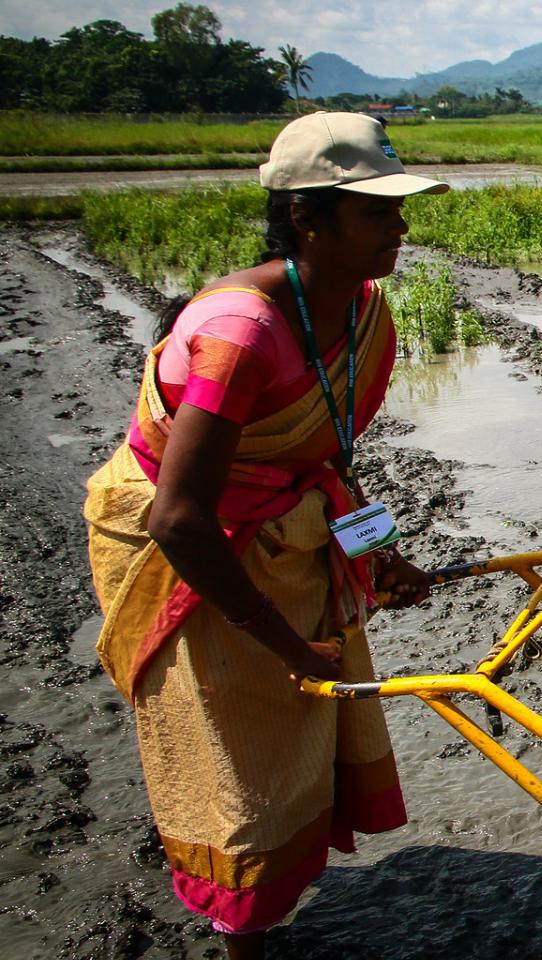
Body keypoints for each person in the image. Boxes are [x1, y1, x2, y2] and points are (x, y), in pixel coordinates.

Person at [82, 112, 447, 960]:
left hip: (282, 530)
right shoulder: (239, 336)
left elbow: (327, 457)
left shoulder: (362, 313)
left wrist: (373, 548)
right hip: (190, 557)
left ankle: (281, 886)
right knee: (238, 754)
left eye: (398, 210)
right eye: (376, 211)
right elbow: (179, 516)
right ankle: (242, 933)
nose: (400, 227)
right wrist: (284, 642)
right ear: (306, 218)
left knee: (298, 736)